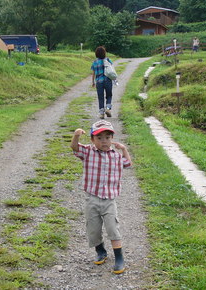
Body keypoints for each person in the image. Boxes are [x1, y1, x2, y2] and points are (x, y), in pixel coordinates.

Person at [70, 120, 132, 275]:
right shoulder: (88, 152)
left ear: (112, 139)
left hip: (109, 200)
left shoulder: (116, 157)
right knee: (93, 229)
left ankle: (119, 258)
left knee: (112, 228)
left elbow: (128, 163)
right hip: (92, 199)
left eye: (107, 137)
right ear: (92, 140)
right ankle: (101, 251)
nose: (104, 141)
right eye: (99, 138)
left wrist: (124, 149)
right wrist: (76, 136)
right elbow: (75, 148)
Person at [91, 46, 113, 119]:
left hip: (99, 82)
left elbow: (93, 73)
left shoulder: (95, 62)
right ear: (104, 53)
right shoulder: (107, 60)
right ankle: (108, 109)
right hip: (108, 80)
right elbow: (111, 68)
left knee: (100, 97)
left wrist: (93, 82)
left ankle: (101, 114)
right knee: (109, 95)